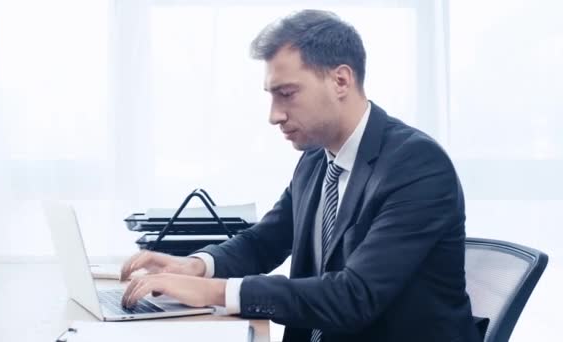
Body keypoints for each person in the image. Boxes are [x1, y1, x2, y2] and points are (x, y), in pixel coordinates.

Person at [120, 9, 483, 342]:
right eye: (271, 96)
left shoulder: (417, 165)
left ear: (341, 80)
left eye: (287, 94)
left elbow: (353, 296)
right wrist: (197, 266)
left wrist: (217, 291)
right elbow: (264, 241)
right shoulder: (316, 159)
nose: (274, 115)